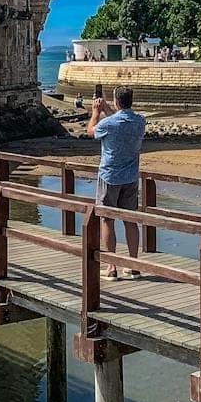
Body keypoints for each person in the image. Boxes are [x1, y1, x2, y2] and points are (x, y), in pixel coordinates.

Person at [88, 85, 146, 278]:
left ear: (116, 101)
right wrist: (107, 109)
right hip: (130, 177)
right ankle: (133, 264)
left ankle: (111, 266)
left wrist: (96, 112)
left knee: (107, 219)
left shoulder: (109, 124)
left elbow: (91, 131)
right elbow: (119, 119)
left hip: (110, 176)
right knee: (130, 220)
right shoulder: (140, 121)